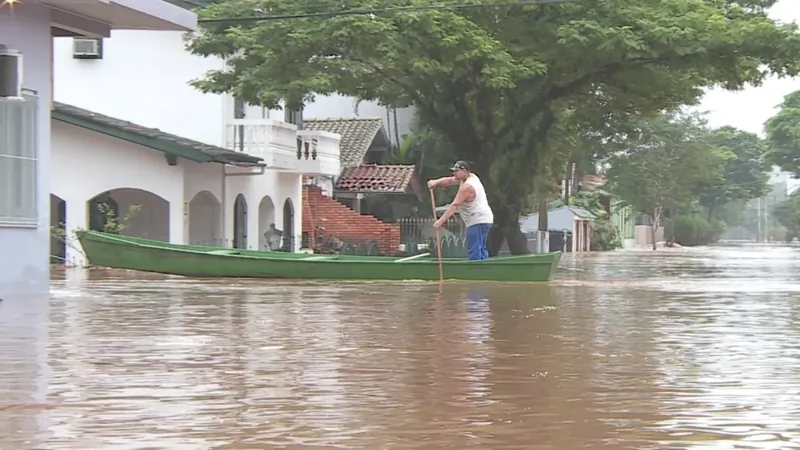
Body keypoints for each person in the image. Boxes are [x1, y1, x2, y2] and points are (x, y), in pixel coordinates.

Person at [427, 160, 494, 261]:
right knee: (481, 248)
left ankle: (475, 273)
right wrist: (436, 182)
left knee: (474, 250)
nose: (454, 173)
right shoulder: (470, 177)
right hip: (484, 219)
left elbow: (454, 205)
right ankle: (484, 271)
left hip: (477, 220)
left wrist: (440, 222)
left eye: (456, 171)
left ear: (465, 171)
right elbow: (449, 181)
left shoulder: (467, 187)